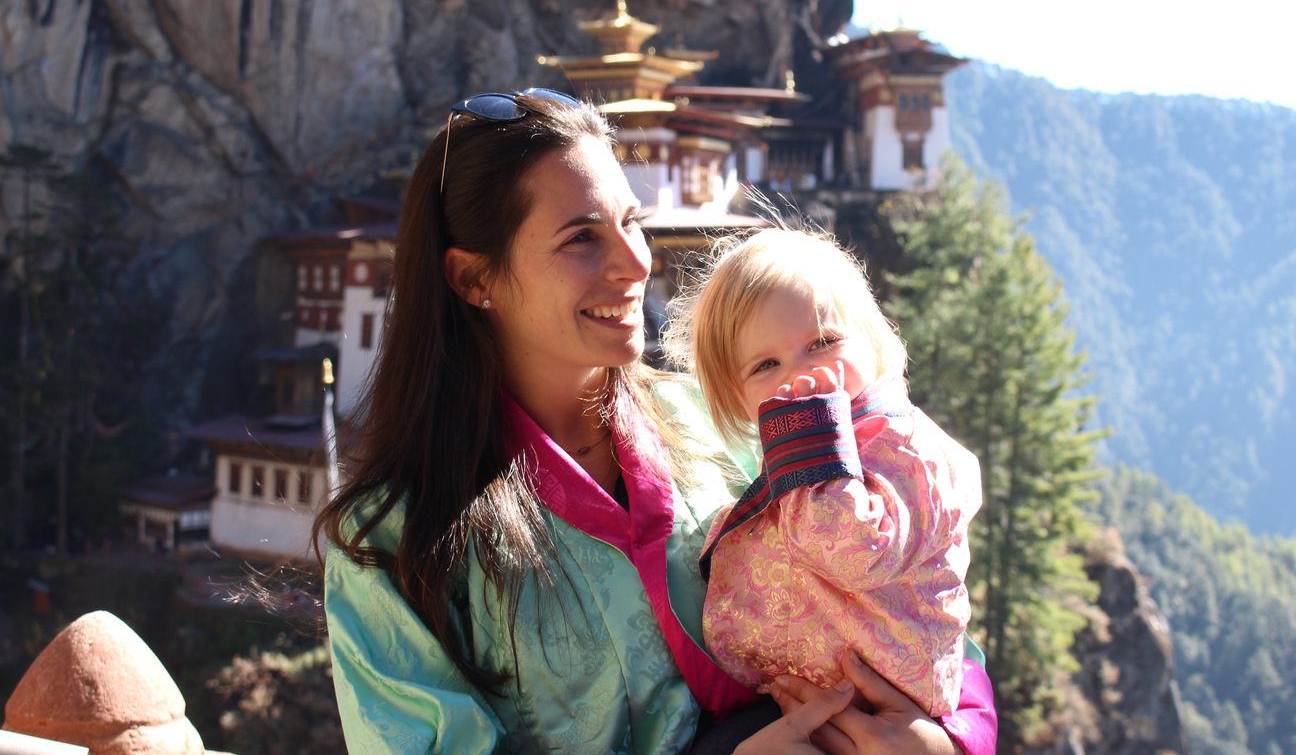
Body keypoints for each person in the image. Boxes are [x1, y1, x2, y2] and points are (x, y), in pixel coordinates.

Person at [314, 88, 997, 754]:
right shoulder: (394, 545)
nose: (636, 262)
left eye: (631, 223)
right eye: (582, 238)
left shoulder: (730, 420)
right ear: (473, 279)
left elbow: (921, 591)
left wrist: (952, 736)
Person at [664, 228, 982, 718]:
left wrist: (811, 438)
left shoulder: (905, 449)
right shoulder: (792, 450)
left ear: (873, 340)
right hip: (808, 698)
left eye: (823, 341)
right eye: (766, 364)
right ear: (735, 394)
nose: (801, 375)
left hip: (881, 706)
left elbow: (854, 552)